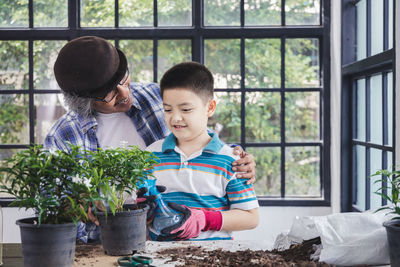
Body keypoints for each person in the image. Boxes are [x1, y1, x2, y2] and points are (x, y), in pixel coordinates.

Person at [44, 36, 256, 242]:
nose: (125, 93)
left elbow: (198, 132)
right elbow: (49, 202)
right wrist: (75, 204)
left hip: (185, 244)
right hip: (109, 244)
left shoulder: (156, 95)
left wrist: (233, 155)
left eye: (124, 80)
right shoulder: (63, 136)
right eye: (110, 94)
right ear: (84, 102)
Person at [145, 62, 259, 241]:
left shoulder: (231, 160)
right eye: (167, 109)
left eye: (186, 109)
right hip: (159, 257)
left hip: (213, 256)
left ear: (210, 107)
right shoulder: (150, 155)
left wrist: (205, 219)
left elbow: (251, 217)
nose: (175, 117)